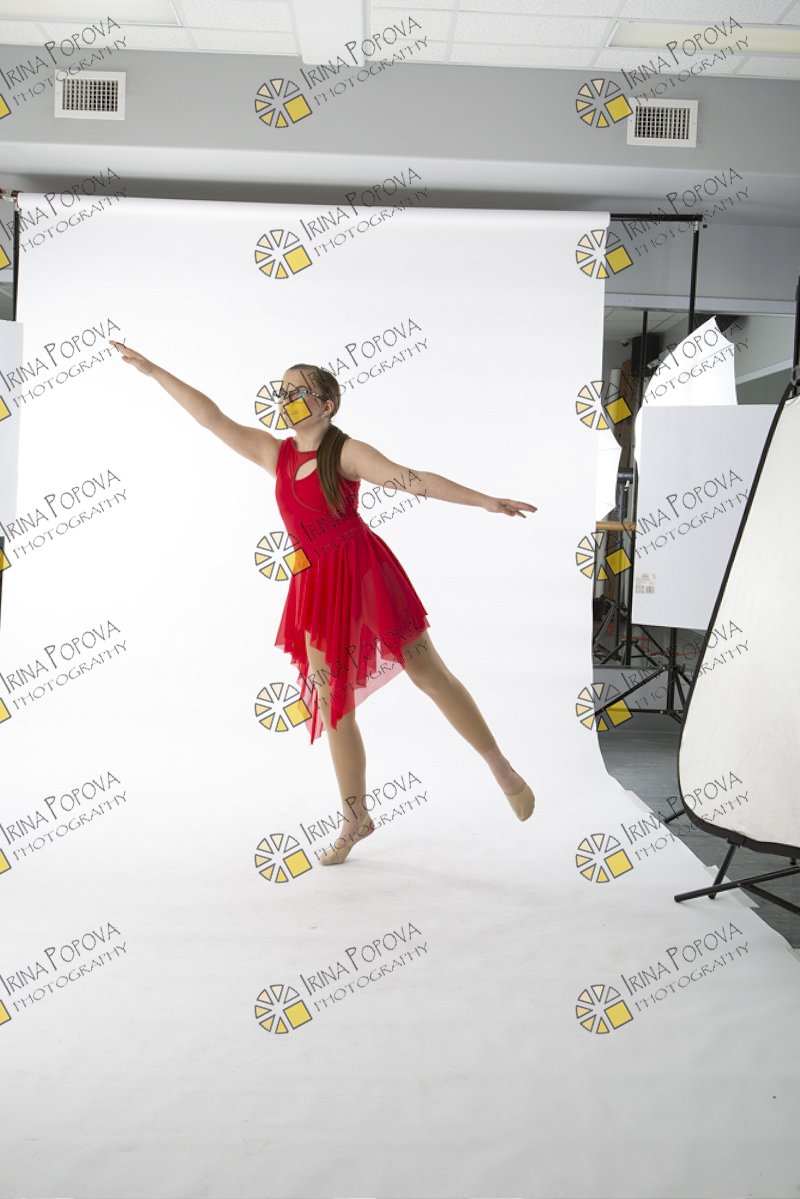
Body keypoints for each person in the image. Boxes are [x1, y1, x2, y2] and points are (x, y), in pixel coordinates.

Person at [109, 341, 538, 865]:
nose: (285, 400)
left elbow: (414, 480)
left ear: (326, 404)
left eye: (298, 392)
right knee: (332, 703)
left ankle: (501, 769)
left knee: (431, 676)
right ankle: (356, 817)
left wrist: (486, 501)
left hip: (365, 574)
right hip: (315, 587)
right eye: (282, 391)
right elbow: (212, 418)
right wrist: (154, 371)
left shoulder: (346, 453)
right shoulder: (276, 454)